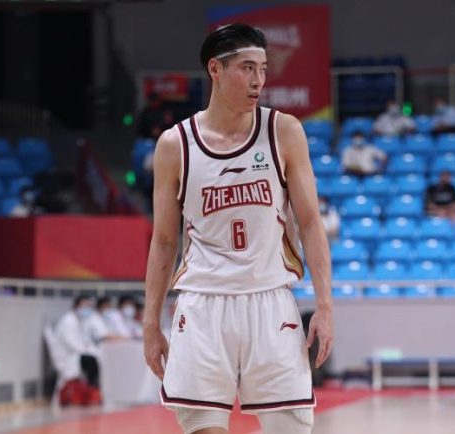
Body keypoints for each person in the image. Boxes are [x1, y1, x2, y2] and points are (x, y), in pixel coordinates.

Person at [143, 23, 333, 434]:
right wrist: (150, 322)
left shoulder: (283, 131)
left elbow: (310, 223)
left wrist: (325, 305)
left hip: (271, 301)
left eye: (263, 69)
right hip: (203, 305)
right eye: (247, 68)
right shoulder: (175, 145)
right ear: (215, 69)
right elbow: (164, 241)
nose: (258, 80)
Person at [53, 295, 101, 405]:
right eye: (83, 305)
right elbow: (72, 344)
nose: (86, 308)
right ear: (75, 306)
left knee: (94, 359)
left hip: (76, 353)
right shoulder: (68, 321)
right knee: (91, 362)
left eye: (88, 306)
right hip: (67, 357)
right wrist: (87, 350)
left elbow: (85, 341)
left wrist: (90, 349)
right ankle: (90, 392)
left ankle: (91, 392)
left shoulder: (80, 321)